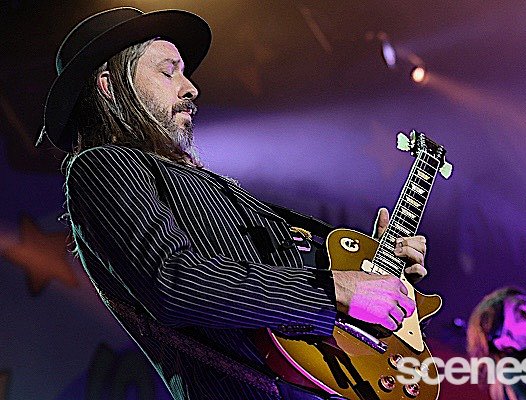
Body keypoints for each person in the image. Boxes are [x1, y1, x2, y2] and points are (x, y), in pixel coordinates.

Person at [37, 7, 430, 400]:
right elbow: (174, 281)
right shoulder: (101, 164)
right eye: (168, 72)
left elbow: (281, 287)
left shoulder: (204, 183)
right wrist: (335, 290)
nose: (190, 88)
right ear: (110, 86)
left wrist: (374, 275)